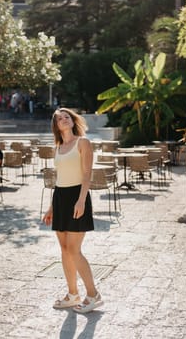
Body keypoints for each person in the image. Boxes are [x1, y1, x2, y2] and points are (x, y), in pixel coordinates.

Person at [42, 107, 103, 314]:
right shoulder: (58, 147)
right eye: (60, 119)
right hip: (60, 198)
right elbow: (59, 180)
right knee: (65, 249)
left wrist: (81, 201)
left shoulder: (83, 142)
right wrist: (51, 207)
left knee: (75, 250)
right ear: (57, 126)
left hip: (78, 197)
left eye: (66, 116)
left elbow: (87, 175)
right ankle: (72, 293)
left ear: (72, 119)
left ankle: (93, 294)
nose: (64, 120)